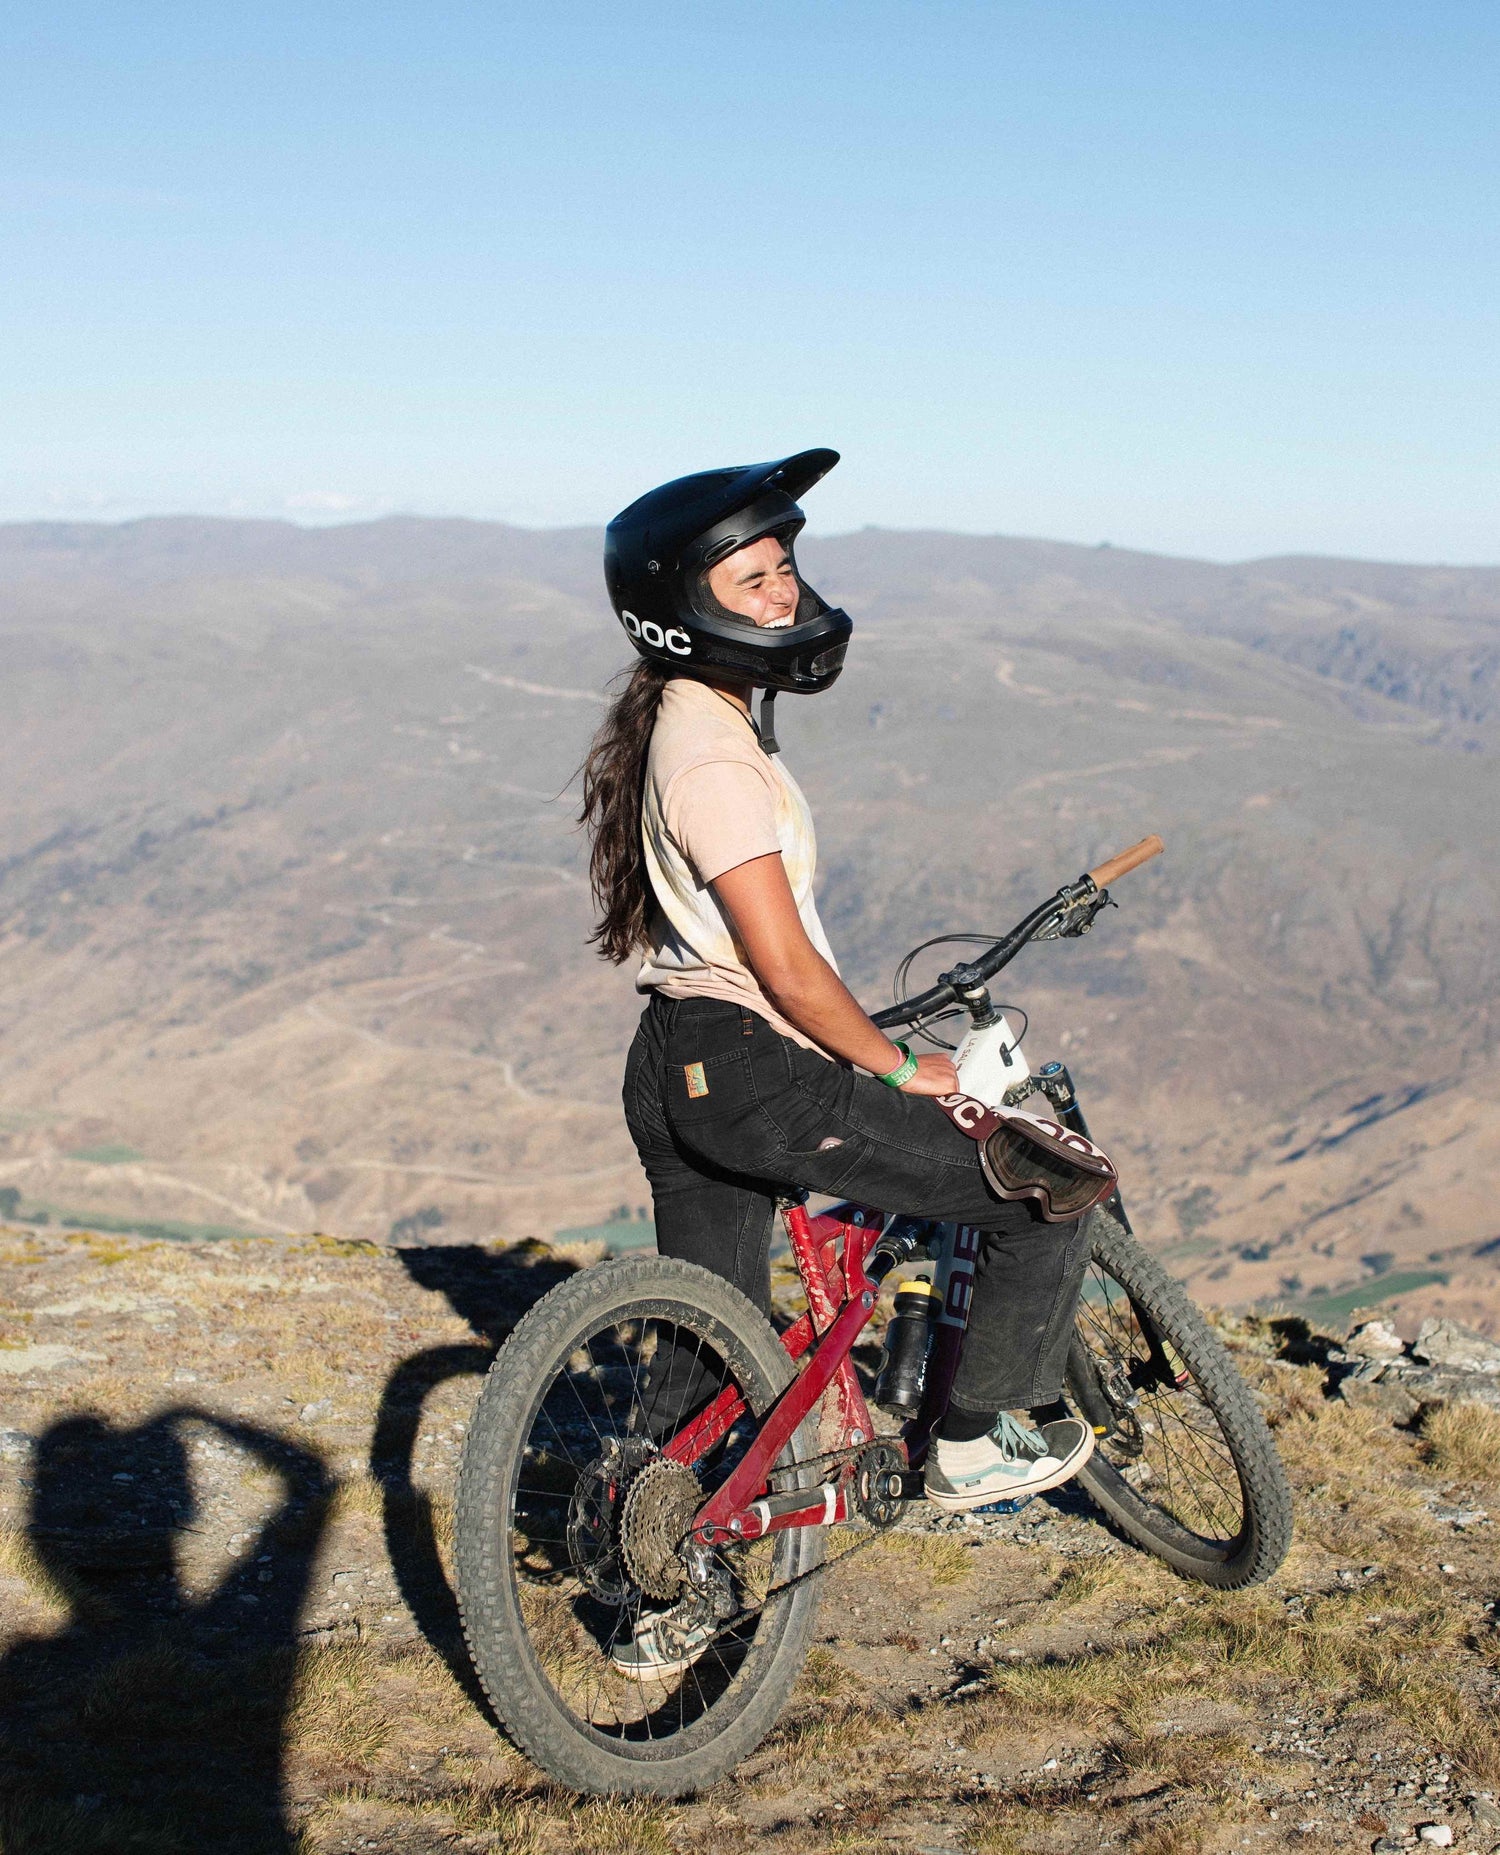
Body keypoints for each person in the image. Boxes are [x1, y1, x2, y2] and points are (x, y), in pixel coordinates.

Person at [580, 449, 1096, 1673]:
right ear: (687, 606)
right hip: (758, 1068)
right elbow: (784, 963)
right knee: (1048, 1183)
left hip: (679, 1060)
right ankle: (974, 1436)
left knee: (708, 1340)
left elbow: (741, 954)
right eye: (752, 577)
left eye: (786, 566)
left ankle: (659, 1584)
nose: (786, 594)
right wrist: (885, 1064)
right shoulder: (710, 755)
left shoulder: (685, 718)